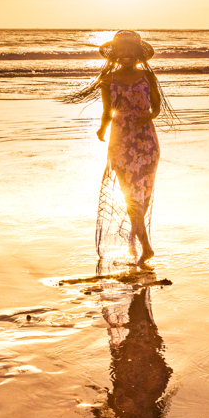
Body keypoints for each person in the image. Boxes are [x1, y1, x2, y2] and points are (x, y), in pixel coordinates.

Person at [64, 30, 165, 267]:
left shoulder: (147, 77)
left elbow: (158, 106)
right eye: (122, 50)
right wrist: (102, 129)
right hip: (120, 141)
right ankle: (146, 246)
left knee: (145, 195)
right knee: (129, 193)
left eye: (131, 49)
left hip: (147, 140)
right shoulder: (107, 80)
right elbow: (107, 110)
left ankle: (136, 235)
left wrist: (149, 115)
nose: (126, 54)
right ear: (116, 54)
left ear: (138, 54)